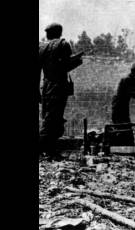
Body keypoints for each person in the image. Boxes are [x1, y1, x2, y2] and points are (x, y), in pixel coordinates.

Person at [39, 23, 79, 160]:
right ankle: (46, 150)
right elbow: (65, 66)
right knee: (55, 119)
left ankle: (49, 150)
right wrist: (77, 61)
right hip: (59, 87)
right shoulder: (64, 44)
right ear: (60, 32)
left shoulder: (41, 46)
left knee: (47, 117)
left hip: (46, 87)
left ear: (48, 33)